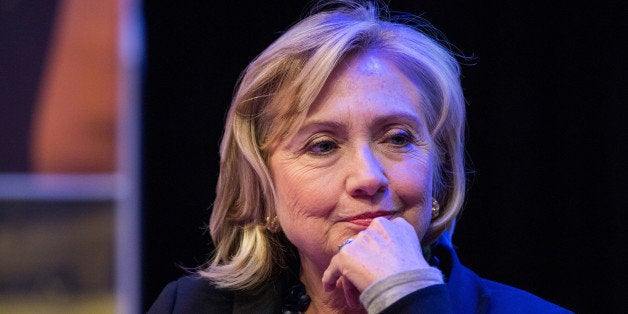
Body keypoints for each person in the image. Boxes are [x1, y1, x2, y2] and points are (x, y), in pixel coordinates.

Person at [149, 1, 572, 313]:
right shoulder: (189, 307)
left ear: (439, 175)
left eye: (398, 138)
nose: (368, 178)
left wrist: (408, 299)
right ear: (262, 189)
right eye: (323, 145)